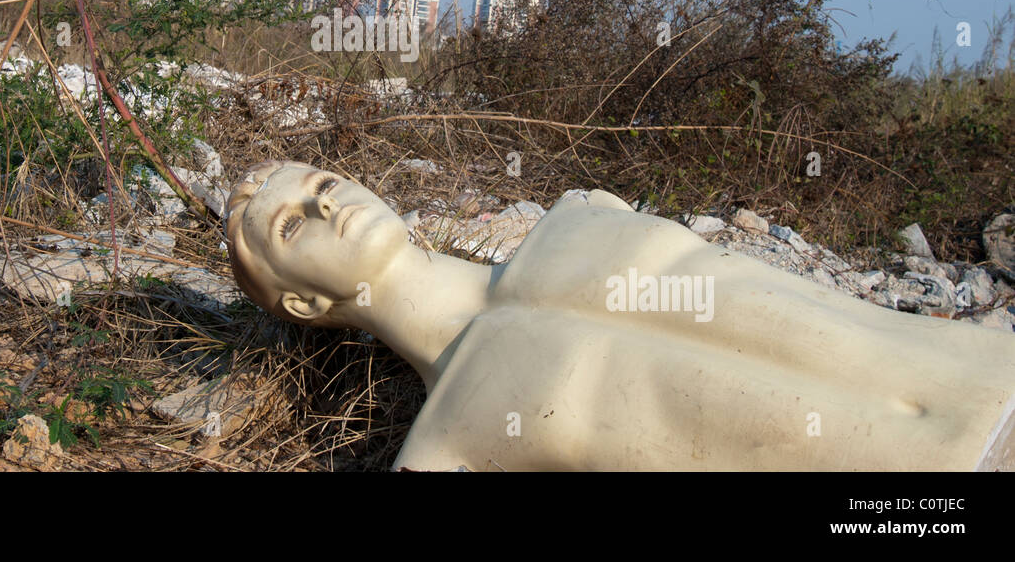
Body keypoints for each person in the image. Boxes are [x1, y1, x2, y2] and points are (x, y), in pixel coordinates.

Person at [224, 160, 1015, 470]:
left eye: (324, 184)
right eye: (293, 224)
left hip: (990, 371)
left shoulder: (578, 214)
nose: (328, 205)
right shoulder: (445, 454)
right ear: (303, 302)